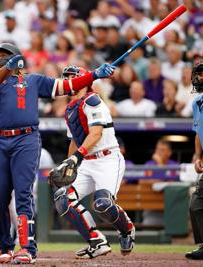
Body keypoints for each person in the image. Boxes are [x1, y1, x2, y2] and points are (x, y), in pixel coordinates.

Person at [0, 42, 115, 264]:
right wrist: (6, 68)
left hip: (26, 138)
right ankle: (5, 245)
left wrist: (94, 75)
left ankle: (27, 249)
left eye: (3, 56)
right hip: (1, 139)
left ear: (16, 59)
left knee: (23, 194)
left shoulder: (33, 80)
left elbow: (68, 86)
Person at [50, 65, 135, 259]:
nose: (69, 82)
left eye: (73, 77)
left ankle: (127, 229)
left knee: (103, 203)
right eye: (67, 78)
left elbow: (96, 134)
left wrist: (76, 158)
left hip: (108, 159)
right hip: (87, 161)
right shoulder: (71, 109)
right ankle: (96, 241)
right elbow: (74, 140)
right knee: (63, 197)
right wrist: (68, 162)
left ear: (83, 80)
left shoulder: (93, 101)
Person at [186, 61, 203, 260]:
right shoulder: (198, 102)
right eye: (199, 74)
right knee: (198, 202)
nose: (200, 78)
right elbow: (197, 132)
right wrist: (198, 156)